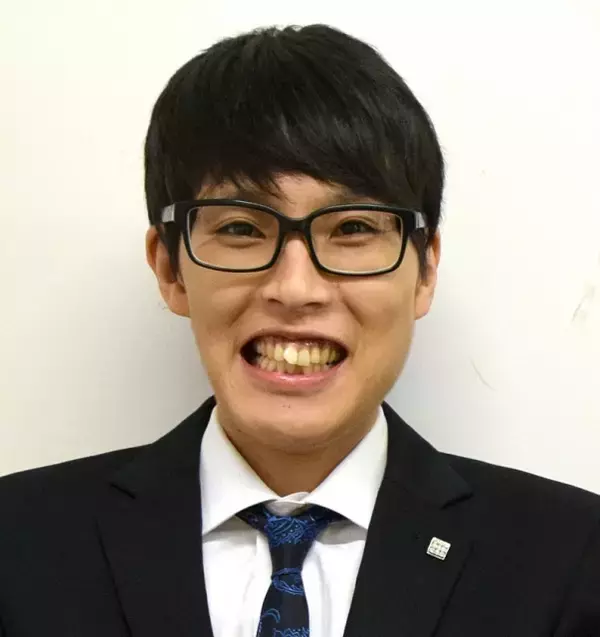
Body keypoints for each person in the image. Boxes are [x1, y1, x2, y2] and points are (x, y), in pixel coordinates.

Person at [0, 23, 598, 637]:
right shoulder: (17, 546)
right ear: (170, 269)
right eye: (240, 228)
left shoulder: (573, 559)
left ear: (424, 271)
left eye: (353, 229)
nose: (295, 288)